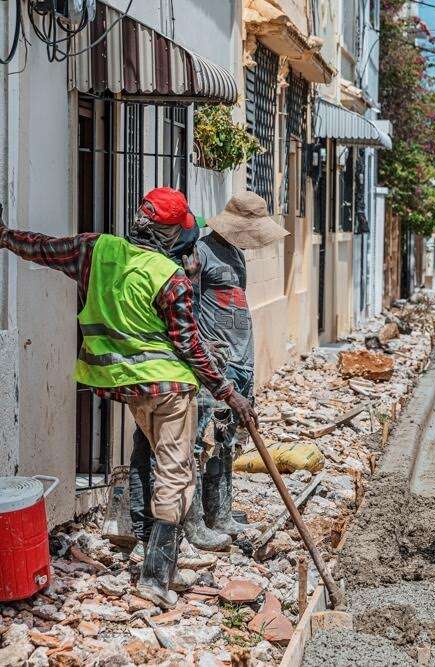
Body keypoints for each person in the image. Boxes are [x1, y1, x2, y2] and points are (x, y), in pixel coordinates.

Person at [0, 187, 256, 608]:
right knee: (176, 474)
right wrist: (230, 393)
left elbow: (44, 248)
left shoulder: (94, 251)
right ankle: (155, 577)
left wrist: (5, 235)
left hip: (127, 386)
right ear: (169, 235)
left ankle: (139, 537)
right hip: (170, 387)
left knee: (152, 457)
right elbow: (190, 346)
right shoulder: (169, 278)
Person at [130, 193, 287, 555]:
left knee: (227, 439)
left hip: (239, 361)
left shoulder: (235, 254)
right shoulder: (197, 253)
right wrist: (208, 356)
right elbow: (189, 310)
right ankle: (194, 525)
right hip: (212, 364)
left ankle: (221, 514)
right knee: (196, 444)